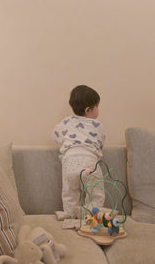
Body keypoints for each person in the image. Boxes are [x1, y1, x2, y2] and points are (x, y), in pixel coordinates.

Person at [52, 85, 106, 219]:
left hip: (70, 162)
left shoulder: (66, 122)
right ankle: (91, 219)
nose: (98, 110)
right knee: (95, 194)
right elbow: (101, 143)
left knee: (70, 194)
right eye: (97, 106)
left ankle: (71, 218)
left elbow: (54, 135)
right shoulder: (97, 125)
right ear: (88, 110)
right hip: (89, 162)